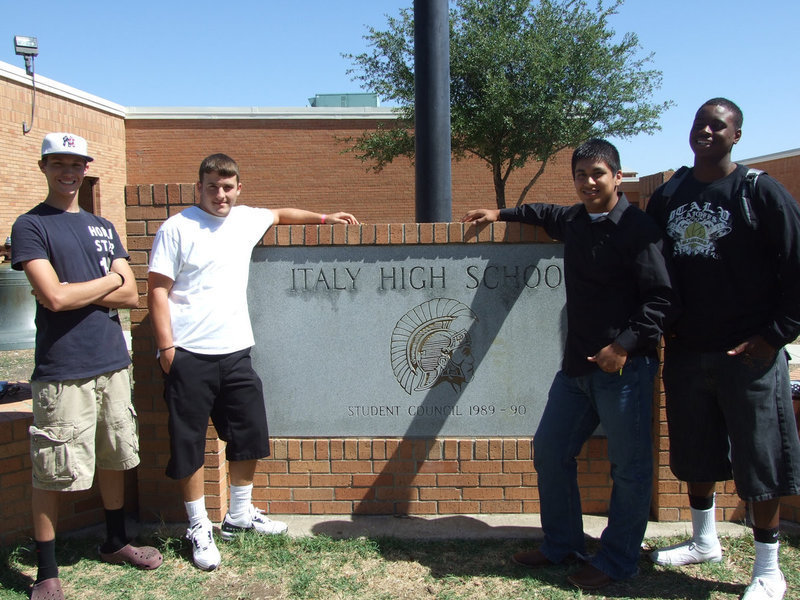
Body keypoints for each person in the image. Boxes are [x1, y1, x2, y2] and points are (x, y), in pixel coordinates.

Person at [461, 138, 676, 590]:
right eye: (581, 175)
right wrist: (499, 213)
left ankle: (618, 560)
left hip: (625, 371)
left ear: (618, 176)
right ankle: (563, 545)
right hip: (576, 370)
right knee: (550, 450)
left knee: (629, 469)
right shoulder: (575, 220)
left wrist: (624, 346)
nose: (589, 182)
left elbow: (662, 300)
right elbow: (542, 212)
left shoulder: (639, 229)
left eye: (598, 173)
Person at [147, 153, 358, 571]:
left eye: (227, 187)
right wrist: (167, 349)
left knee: (249, 434)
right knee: (189, 444)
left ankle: (239, 516)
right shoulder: (177, 228)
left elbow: (280, 214)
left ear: (238, 188)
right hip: (189, 354)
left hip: (236, 351)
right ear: (199, 188)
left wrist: (323, 218)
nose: (220, 194)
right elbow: (156, 289)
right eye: (212, 186)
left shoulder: (245, 219)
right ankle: (198, 526)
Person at [646, 98, 800, 600]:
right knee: (696, 454)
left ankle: (767, 568)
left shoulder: (759, 191)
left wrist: (775, 334)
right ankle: (704, 540)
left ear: (737, 135)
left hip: (749, 357)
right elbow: (648, 267)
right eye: (700, 124)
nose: (707, 132)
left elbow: (798, 264)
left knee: (761, 463)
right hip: (689, 353)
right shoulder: (669, 195)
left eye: (719, 125)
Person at [11, 133, 163, 600]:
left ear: (85, 170)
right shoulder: (30, 226)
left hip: (113, 363)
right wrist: (106, 283)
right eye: (58, 164)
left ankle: (116, 541)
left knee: (116, 454)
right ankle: (47, 570)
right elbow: (53, 297)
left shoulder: (103, 226)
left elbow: (130, 294)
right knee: (52, 468)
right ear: (43, 168)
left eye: (75, 165)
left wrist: (83, 289)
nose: (67, 173)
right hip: (64, 369)